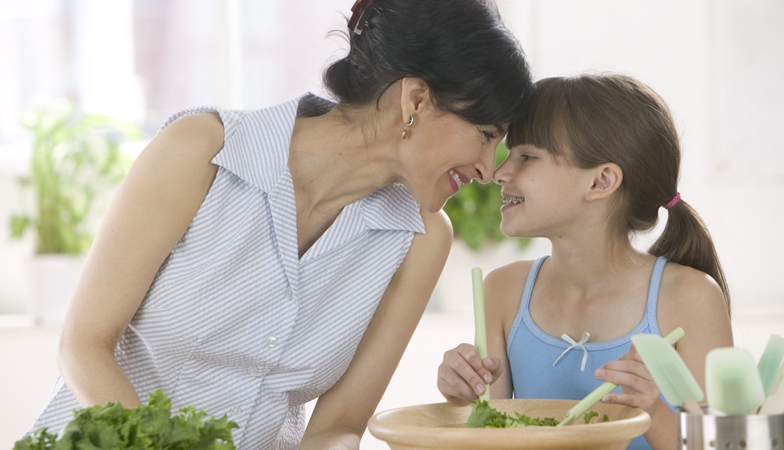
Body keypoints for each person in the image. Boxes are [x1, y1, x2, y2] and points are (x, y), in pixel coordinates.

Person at [28, 0, 536, 448]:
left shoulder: (422, 240)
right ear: (416, 100)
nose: (490, 169)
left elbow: (338, 426)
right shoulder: (203, 151)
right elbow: (84, 345)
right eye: (486, 133)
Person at [436, 74, 733, 450]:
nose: (499, 172)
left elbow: (725, 445)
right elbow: (490, 438)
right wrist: (463, 399)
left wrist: (652, 412)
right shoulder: (503, 291)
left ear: (601, 181)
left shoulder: (690, 298)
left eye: (526, 156)